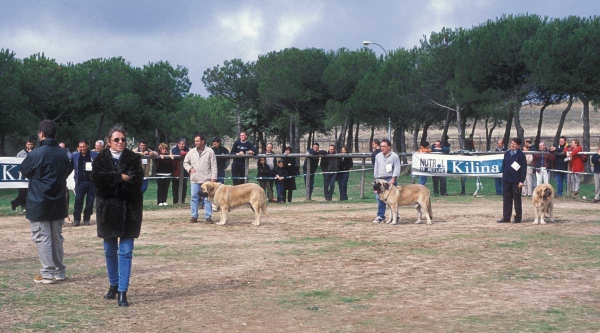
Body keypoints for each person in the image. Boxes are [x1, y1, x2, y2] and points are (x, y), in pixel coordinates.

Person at [91, 126, 144, 307]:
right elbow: (98, 182)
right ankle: (113, 285)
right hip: (107, 212)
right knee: (109, 251)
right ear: (109, 142)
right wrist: (120, 177)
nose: (120, 142)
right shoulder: (100, 159)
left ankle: (123, 290)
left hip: (130, 211)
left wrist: (112, 181)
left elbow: (136, 182)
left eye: (123, 139)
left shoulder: (134, 159)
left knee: (126, 252)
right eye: (116, 139)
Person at [20, 120, 72, 284]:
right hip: (58, 200)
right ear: (54, 135)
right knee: (56, 238)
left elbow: (24, 171)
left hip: (39, 201)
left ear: (41, 134)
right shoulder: (63, 153)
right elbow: (68, 170)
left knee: (43, 238)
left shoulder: (36, 153)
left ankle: (47, 273)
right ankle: (59, 271)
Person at [184, 134, 217, 223]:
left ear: (202, 141)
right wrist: (189, 168)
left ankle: (208, 216)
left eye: (198, 141)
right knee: (194, 198)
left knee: (207, 198)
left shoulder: (210, 151)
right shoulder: (191, 152)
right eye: (195, 141)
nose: (196, 143)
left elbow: (214, 165)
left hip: (206, 180)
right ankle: (194, 216)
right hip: (195, 179)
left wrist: (213, 178)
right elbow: (185, 162)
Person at [497, 138, 526, 223]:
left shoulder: (521, 155)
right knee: (506, 199)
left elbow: (524, 168)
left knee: (517, 200)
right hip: (506, 180)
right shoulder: (507, 153)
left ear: (518, 146)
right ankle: (506, 217)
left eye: (514, 144)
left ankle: (518, 218)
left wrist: (521, 181)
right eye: (512, 143)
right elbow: (504, 165)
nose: (512, 145)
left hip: (516, 181)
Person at [373, 139, 401, 223]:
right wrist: (375, 178)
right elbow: (376, 167)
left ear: (389, 147)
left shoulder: (394, 156)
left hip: (389, 179)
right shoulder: (378, 156)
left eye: (384, 146)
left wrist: (393, 178)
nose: (382, 148)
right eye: (381, 146)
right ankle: (380, 216)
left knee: (392, 200)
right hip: (380, 179)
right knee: (379, 198)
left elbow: (397, 168)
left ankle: (395, 216)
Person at [71, 140, 98, 226]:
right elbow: (70, 167)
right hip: (80, 183)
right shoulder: (74, 156)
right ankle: (76, 219)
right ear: (78, 148)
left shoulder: (94, 155)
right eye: (81, 147)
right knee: (78, 201)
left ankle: (86, 219)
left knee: (90, 202)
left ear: (87, 146)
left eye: (84, 146)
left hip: (91, 183)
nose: (82, 148)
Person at [11, 139, 35, 211]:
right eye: (29, 144)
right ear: (26, 144)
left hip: (31, 175)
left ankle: (22, 205)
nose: (30, 146)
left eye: (31, 144)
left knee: (29, 193)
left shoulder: (35, 152)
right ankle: (17, 204)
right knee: (22, 193)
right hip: (22, 175)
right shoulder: (20, 153)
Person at [171, 138, 189, 204]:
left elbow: (189, 153)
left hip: (184, 172)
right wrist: (184, 153)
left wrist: (184, 153)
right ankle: (175, 202)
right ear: (178, 144)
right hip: (175, 172)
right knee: (175, 188)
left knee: (184, 187)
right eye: (182, 144)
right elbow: (178, 153)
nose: (183, 145)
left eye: (184, 144)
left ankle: (182, 201)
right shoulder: (174, 149)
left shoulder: (186, 149)